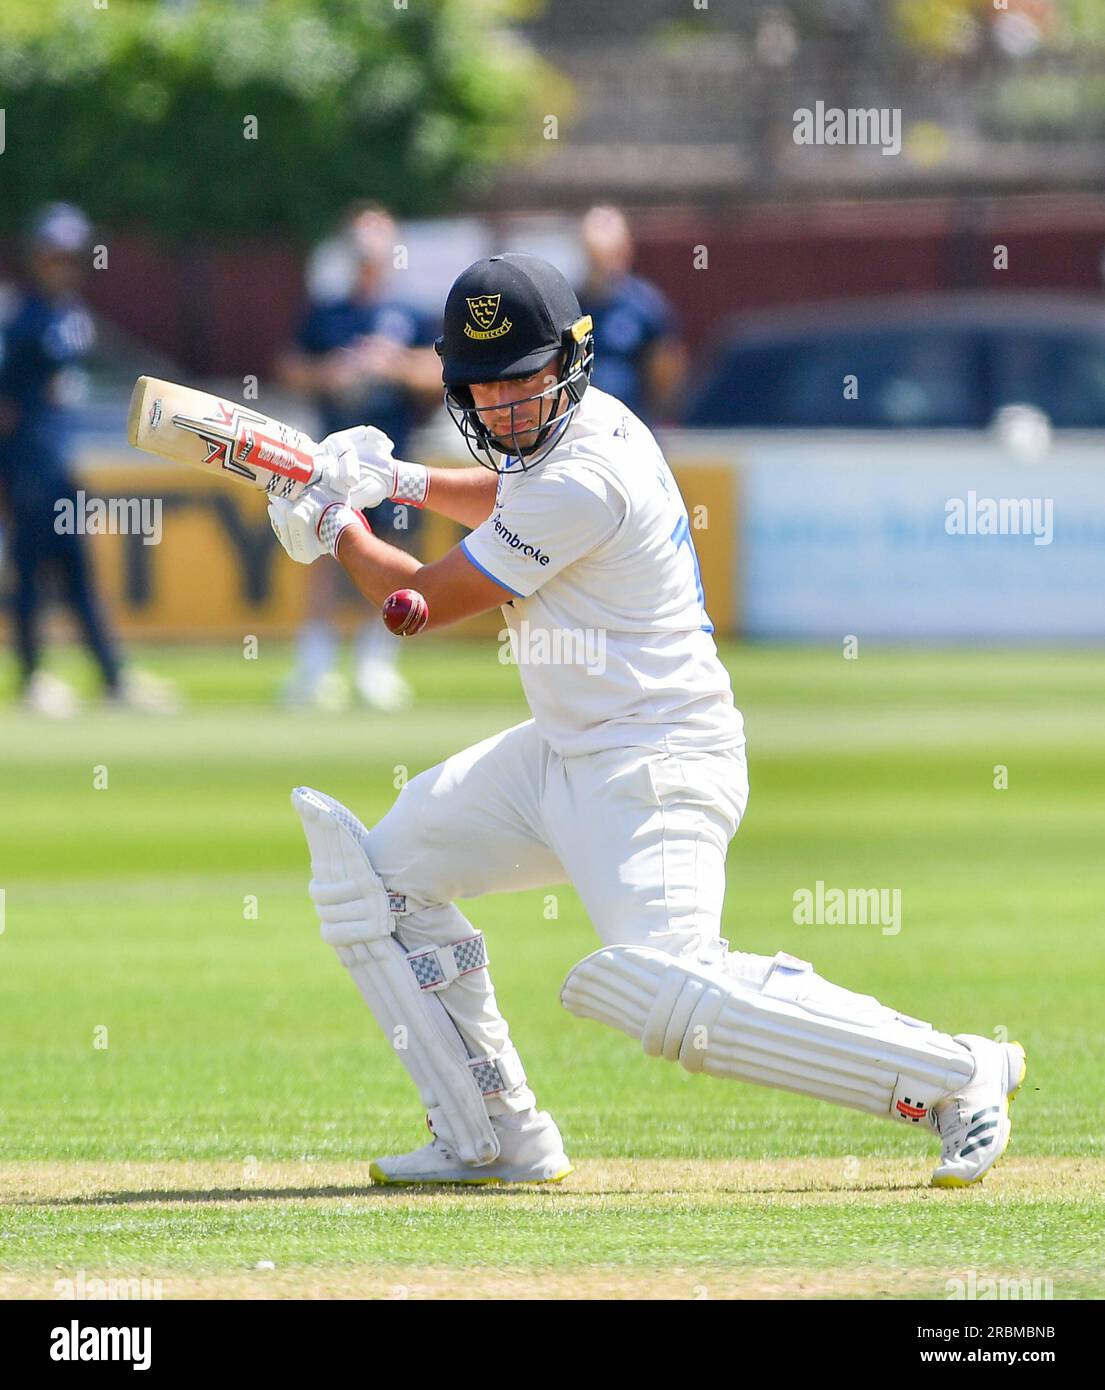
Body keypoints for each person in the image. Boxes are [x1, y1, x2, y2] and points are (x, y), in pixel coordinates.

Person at [267, 253, 1027, 1188]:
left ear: (570, 362)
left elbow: (415, 606)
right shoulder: (577, 435)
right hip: (560, 756)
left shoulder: (584, 475)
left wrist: (334, 522)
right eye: (483, 390)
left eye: (523, 384)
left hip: (656, 763)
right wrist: (399, 481)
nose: (504, 410)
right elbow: (507, 496)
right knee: (375, 888)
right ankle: (496, 1132)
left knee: (672, 993)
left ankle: (956, 1071)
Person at [0, 204, 175, 716]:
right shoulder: (22, 318)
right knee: (31, 569)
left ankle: (110, 675)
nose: (66, 264)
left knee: (75, 569)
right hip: (29, 462)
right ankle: (36, 676)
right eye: (57, 254)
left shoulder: (68, 313)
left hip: (61, 461)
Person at [275, 204, 441, 711]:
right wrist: (332, 373)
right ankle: (315, 664)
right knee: (324, 550)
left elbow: (439, 374)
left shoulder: (409, 313)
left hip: (393, 458)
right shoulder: (326, 312)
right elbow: (289, 366)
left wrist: (392, 366)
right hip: (332, 456)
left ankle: (377, 663)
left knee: (392, 555)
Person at [576, 204, 687, 424]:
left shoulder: (645, 305)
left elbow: (666, 370)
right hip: (581, 425)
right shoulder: (571, 303)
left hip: (632, 421)